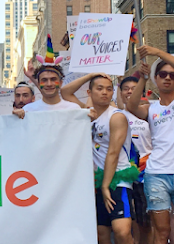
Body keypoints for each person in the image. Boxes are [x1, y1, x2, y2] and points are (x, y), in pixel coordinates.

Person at [62, 72, 138, 244]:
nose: (105, 92)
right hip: (95, 181)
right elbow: (65, 92)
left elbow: (113, 152)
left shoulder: (116, 116)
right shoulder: (87, 114)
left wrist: (105, 186)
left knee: (122, 232)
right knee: (101, 234)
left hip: (118, 180)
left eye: (109, 89)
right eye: (99, 88)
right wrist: (92, 74)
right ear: (89, 93)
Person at [126, 45, 174, 244]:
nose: (168, 77)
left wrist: (157, 52)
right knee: (161, 231)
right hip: (156, 175)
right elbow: (131, 106)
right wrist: (143, 78)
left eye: (172, 74)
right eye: (163, 74)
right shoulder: (151, 109)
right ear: (157, 79)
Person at [118, 76, 153, 244]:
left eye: (134, 87)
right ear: (121, 92)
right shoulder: (116, 114)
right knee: (130, 220)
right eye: (126, 88)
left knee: (146, 220)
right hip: (124, 174)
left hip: (146, 172)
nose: (130, 91)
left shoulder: (149, 112)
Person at [13, 59, 80, 119]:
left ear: (60, 83)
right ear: (38, 84)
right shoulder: (28, 110)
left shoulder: (74, 109)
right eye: (44, 80)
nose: (49, 84)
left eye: (53, 79)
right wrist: (15, 119)